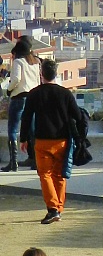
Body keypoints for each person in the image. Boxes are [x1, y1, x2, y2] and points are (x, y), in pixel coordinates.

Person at [20, 58, 86, 224]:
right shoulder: (65, 94)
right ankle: (59, 207)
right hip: (62, 140)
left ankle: (52, 208)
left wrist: (23, 139)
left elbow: (26, 118)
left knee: (45, 175)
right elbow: (78, 117)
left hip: (42, 140)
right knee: (59, 175)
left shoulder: (34, 94)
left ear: (41, 74)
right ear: (56, 74)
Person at [3, 37, 40, 173]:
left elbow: (16, 79)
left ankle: (13, 163)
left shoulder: (18, 62)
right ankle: (36, 161)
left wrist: (9, 89)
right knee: (32, 130)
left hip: (19, 97)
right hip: (32, 98)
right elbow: (37, 81)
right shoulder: (35, 62)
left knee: (12, 129)